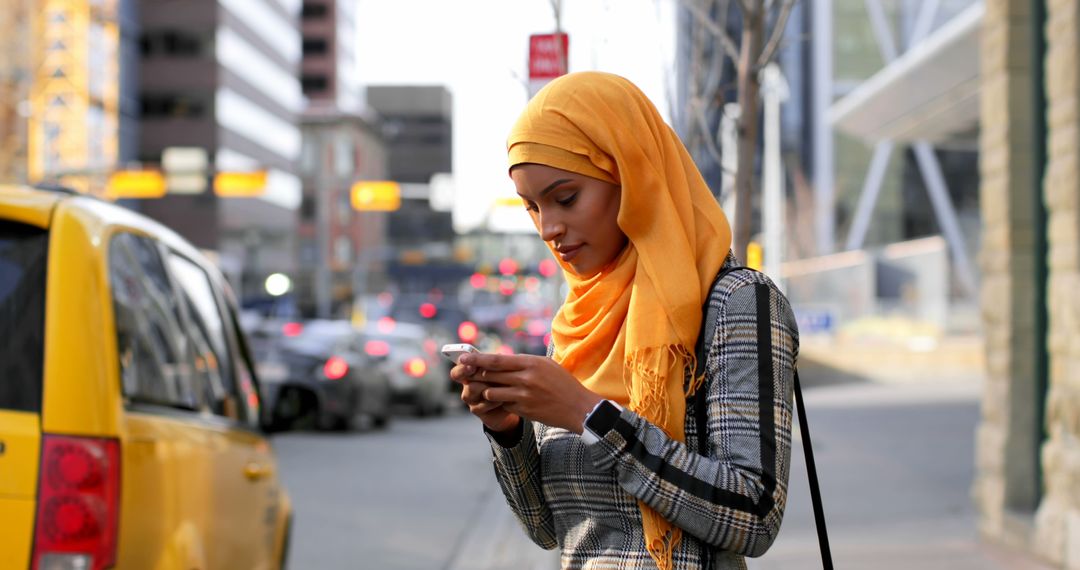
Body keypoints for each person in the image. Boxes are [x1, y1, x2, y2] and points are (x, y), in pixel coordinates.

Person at [450, 71, 798, 570]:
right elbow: (550, 530)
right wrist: (506, 429)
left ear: (630, 177)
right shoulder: (576, 324)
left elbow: (753, 516)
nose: (549, 228)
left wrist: (590, 415)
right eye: (532, 207)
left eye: (565, 198)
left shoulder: (736, 303)